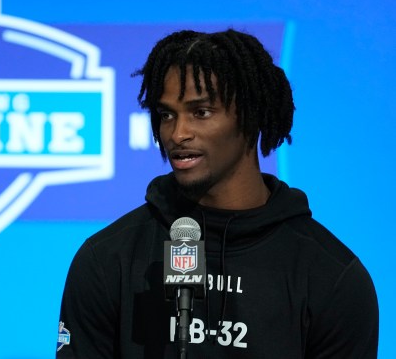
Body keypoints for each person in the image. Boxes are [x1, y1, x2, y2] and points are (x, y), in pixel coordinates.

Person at [56, 29, 379, 358]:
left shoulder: (331, 277)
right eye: (167, 115)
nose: (178, 133)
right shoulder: (108, 260)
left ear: (252, 117)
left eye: (201, 112)